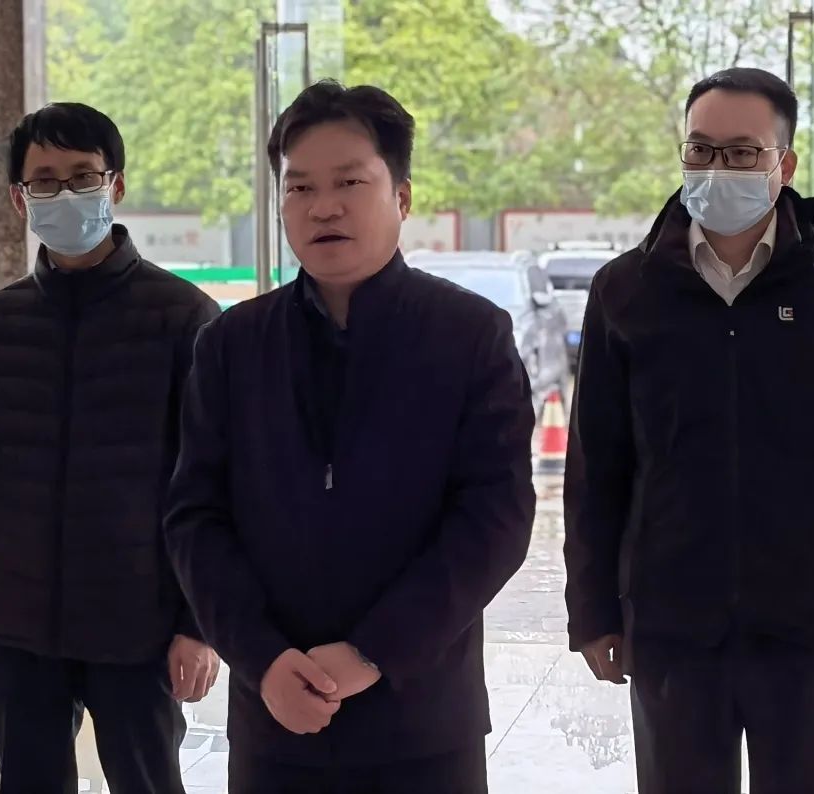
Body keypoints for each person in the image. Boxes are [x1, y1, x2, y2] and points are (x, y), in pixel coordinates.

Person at [165, 80, 536, 794]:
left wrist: (372, 652)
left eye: (350, 183)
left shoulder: (469, 335)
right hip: (276, 712)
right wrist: (263, 659)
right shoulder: (232, 344)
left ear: (402, 197)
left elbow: (495, 518)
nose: (323, 206)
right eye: (299, 187)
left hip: (422, 715)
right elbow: (194, 516)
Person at [564, 67, 814, 794]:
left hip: (812, 622)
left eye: (741, 152)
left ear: (784, 165)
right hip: (670, 622)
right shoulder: (626, 290)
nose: (716, 168)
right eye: (700, 149)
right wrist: (592, 610)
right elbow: (597, 468)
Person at [0, 103, 222, 794]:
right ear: (19, 198)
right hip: (14, 628)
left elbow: (214, 486)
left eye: (83, 176)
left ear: (115, 185)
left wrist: (199, 623)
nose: (65, 194)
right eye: (45, 180)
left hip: (140, 627)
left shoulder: (184, 319)